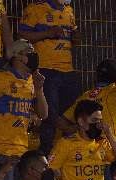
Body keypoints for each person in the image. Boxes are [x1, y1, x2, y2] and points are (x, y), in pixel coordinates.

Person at [19, 0, 78, 155]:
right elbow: (22, 35)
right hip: (46, 69)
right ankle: (45, 153)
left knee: (70, 114)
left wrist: (76, 37)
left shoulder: (69, 10)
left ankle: (69, 154)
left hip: (68, 70)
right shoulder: (35, 8)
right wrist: (47, 33)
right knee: (49, 115)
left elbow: (74, 38)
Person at [0, 40, 47, 180]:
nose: (33, 56)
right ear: (17, 56)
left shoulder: (32, 81)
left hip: (22, 151)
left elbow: (44, 114)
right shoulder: (0, 78)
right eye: (28, 53)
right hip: (1, 150)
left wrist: (39, 89)